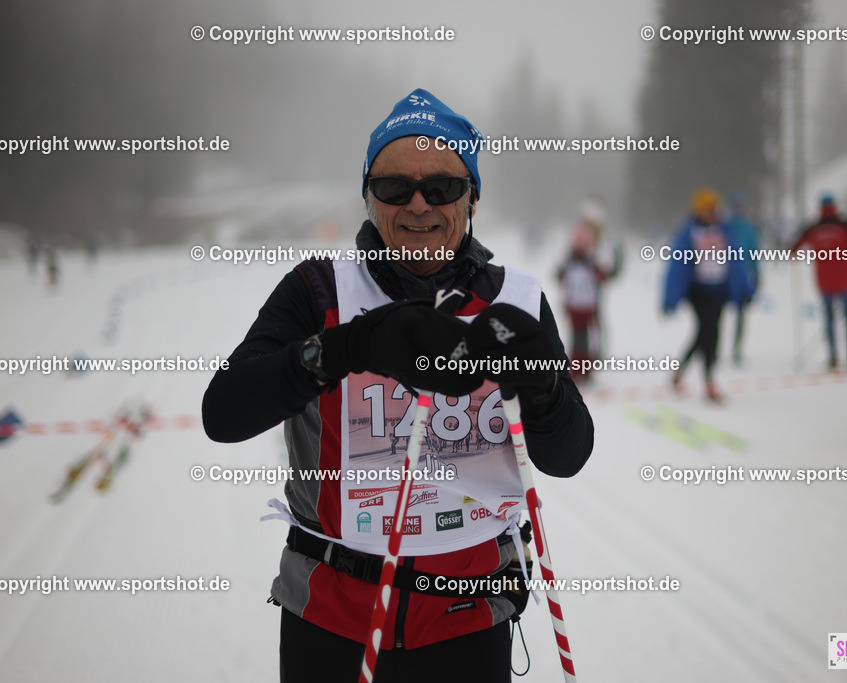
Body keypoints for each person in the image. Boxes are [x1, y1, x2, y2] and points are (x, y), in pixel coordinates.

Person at [202, 88, 594, 682]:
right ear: (368, 197)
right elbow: (224, 411)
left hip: (469, 618)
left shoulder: (516, 299)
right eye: (393, 187)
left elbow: (568, 455)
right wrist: (344, 348)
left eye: (441, 187)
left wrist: (543, 389)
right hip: (332, 621)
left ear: (472, 197)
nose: (417, 204)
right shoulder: (317, 292)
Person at [663, 188, 750, 403]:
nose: (711, 213)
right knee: (708, 331)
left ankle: (680, 371)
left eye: (714, 209)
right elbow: (677, 267)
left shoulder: (725, 230)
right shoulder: (689, 232)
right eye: (707, 210)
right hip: (698, 291)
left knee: (708, 333)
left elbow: (737, 262)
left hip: (718, 290)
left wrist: (744, 289)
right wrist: (670, 298)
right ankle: (709, 381)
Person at [789, 194, 847, 370]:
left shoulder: (813, 227)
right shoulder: (845, 225)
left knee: (829, 318)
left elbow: (794, 247)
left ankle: (833, 358)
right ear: (835, 207)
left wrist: (792, 253)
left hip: (825, 282)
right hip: (846, 280)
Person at [555, 203, 620, 384]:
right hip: (575, 303)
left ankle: (585, 367)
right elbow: (559, 274)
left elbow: (605, 274)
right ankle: (579, 368)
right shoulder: (571, 257)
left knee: (587, 335)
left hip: (588, 303)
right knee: (579, 336)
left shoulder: (593, 256)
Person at [725, 190, 761, 365]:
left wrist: (756, 275)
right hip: (725, 277)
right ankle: (714, 350)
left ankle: (736, 351)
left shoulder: (749, 228)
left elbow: (754, 253)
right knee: (717, 315)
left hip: (743, 278)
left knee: (741, 315)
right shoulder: (726, 226)